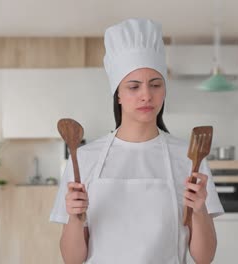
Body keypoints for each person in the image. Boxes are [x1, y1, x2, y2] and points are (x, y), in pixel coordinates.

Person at [50, 18, 224, 264]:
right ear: (118, 94)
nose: (146, 95)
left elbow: (204, 258)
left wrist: (199, 209)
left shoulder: (190, 158)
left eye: (155, 85)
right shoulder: (85, 158)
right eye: (133, 87)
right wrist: (75, 216)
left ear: (164, 90)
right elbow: (72, 259)